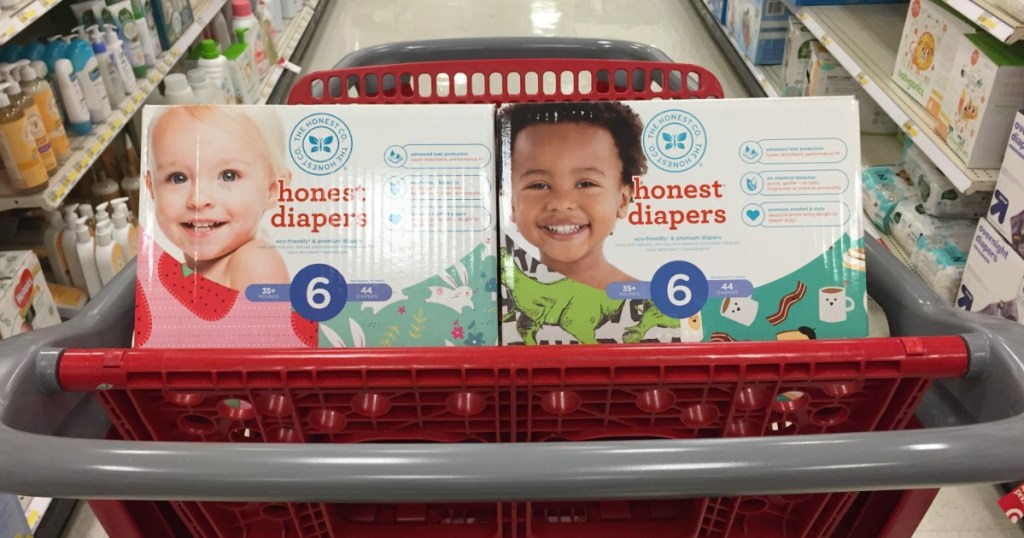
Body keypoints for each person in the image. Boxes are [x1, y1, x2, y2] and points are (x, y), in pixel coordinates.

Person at [501, 101, 648, 291]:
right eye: (538, 185)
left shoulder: (650, 301)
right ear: (511, 202)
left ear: (623, 200)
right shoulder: (494, 298)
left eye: (586, 184)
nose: (561, 203)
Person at [145, 106, 289, 291]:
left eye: (229, 176)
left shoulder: (256, 261)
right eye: (178, 178)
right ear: (151, 188)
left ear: (272, 189)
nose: (198, 199)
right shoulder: (178, 271)